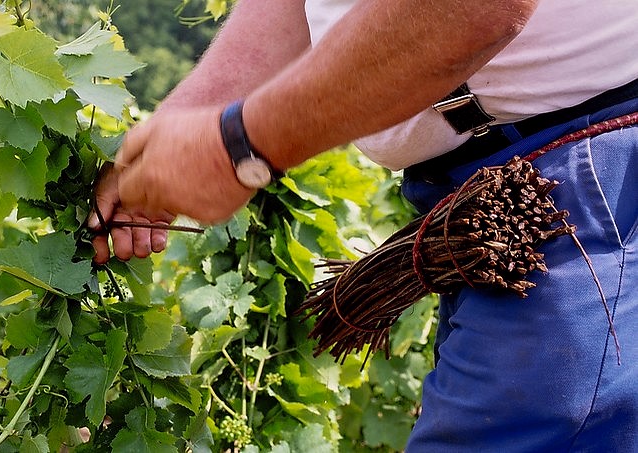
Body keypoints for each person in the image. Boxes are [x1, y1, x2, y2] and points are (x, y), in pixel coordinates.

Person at [88, 0, 638, 450]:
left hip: (578, 181)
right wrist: (181, 126)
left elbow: (478, 6)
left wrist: (242, 146)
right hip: (507, 190)